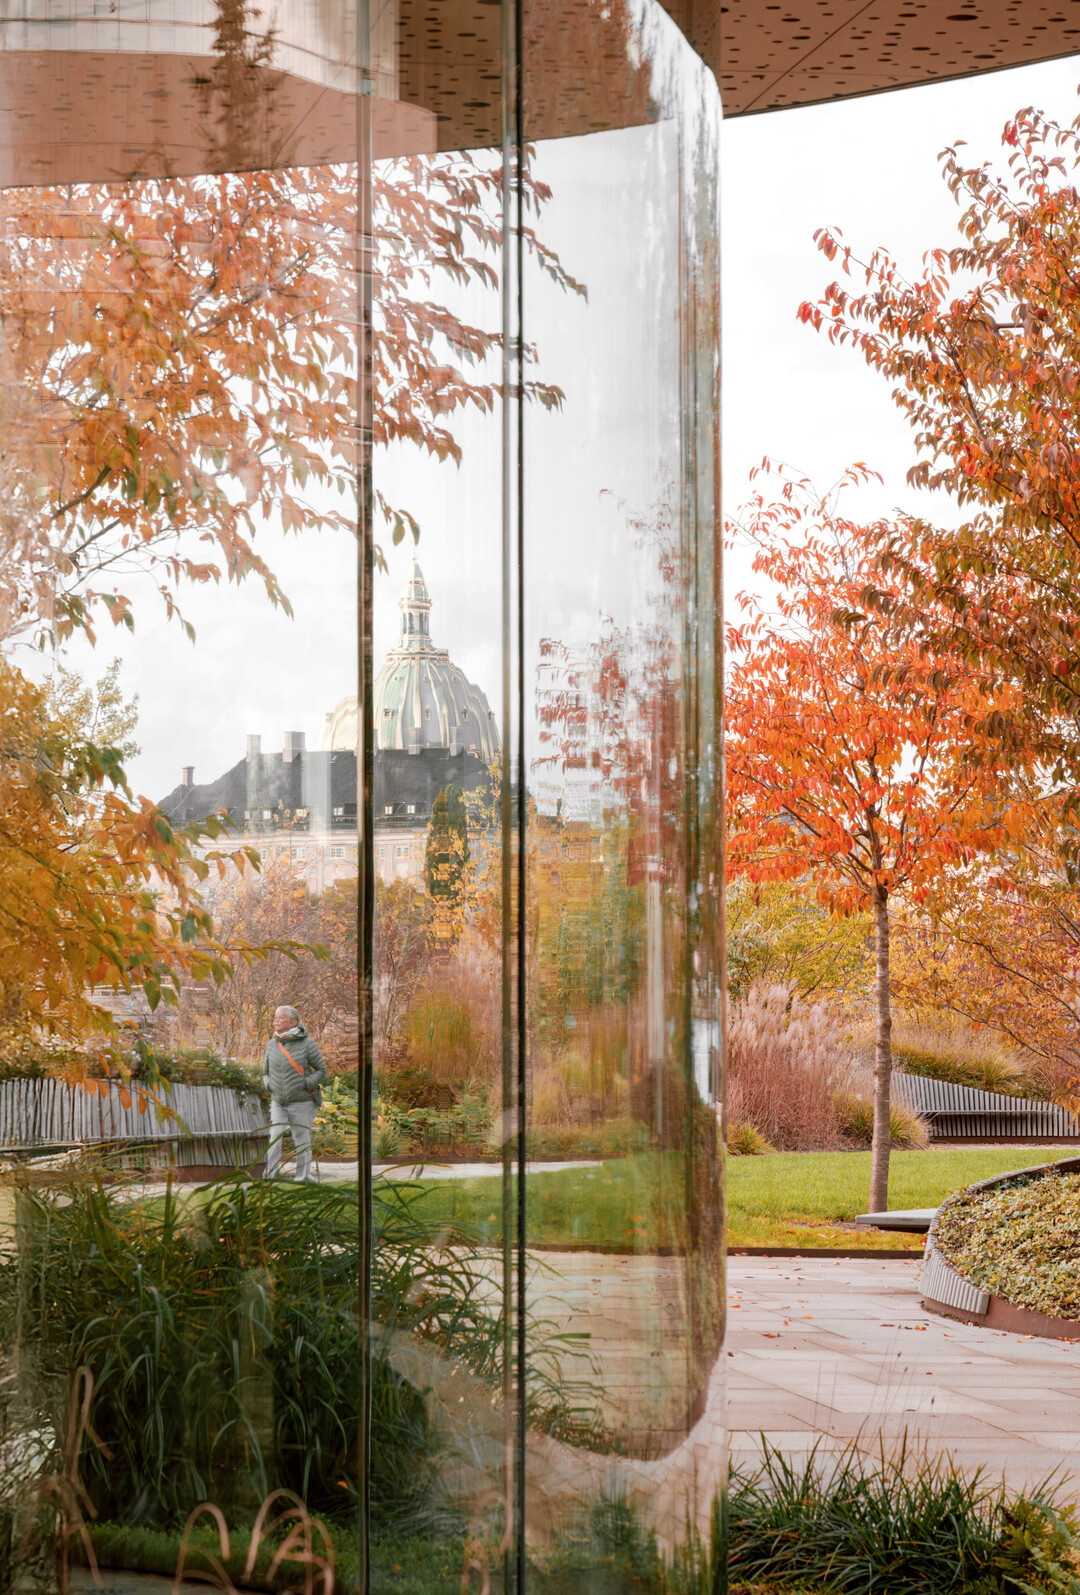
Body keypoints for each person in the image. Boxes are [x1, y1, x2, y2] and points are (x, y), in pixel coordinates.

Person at [261, 1004, 328, 1182]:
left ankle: (303, 1176)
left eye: (281, 1017)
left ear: (293, 1022)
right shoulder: (272, 1045)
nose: (276, 1020)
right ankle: (270, 1174)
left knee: (301, 1138)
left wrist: (306, 1083)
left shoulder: (308, 1044)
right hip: (278, 1101)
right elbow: (265, 1072)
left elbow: (321, 1070)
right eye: (276, 1017)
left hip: (302, 1101)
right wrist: (269, 1085)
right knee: (275, 1136)